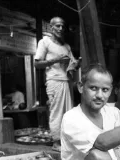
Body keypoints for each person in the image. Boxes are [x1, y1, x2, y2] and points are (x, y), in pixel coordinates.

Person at [34, 16, 81, 152]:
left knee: (69, 113)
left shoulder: (66, 47)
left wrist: (76, 64)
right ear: (51, 27)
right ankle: (56, 141)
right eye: (58, 26)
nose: (60, 29)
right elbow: (37, 63)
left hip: (66, 81)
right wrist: (56, 60)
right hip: (54, 81)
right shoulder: (45, 42)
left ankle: (66, 141)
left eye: (62, 26)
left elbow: (72, 66)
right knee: (57, 112)